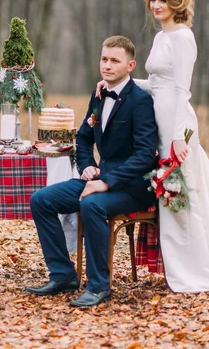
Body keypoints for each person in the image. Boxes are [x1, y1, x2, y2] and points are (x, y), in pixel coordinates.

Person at [97, 0, 209, 294]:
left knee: (182, 200)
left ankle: (199, 269)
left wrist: (177, 137)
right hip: (157, 125)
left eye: (163, 0)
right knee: (168, 201)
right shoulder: (161, 37)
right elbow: (157, 85)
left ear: (177, 2)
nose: (156, 5)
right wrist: (114, 84)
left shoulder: (184, 38)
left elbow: (181, 91)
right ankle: (180, 267)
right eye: (153, 0)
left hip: (178, 128)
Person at [25, 36, 158, 307]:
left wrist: (107, 182)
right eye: (104, 59)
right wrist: (87, 166)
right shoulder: (98, 95)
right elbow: (84, 137)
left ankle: (99, 286)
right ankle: (63, 275)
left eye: (114, 60)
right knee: (41, 200)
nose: (107, 65)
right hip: (99, 178)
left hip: (133, 187)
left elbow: (145, 155)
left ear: (131, 65)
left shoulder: (140, 101)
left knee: (92, 205)